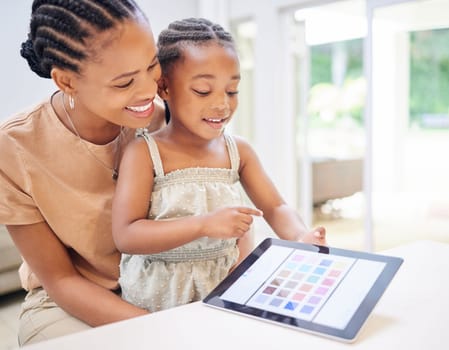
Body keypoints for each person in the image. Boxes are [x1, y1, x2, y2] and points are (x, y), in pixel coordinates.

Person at [112, 17, 327, 313]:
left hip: (224, 289)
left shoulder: (238, 151)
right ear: (164, 88)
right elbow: (126, 235)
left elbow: (276, 207)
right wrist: (203, 224)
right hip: (159, 300)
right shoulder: (144, 152)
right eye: (203, 91)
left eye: (232, 91)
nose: (222, 105)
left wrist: (300, 236)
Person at [0, 0, 167, 346]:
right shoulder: (14, 148)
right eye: (124, 83)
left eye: (152, 65)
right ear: (67, 81)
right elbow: (61, 281)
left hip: (165, 288)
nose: (149, 89)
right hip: (70, 305)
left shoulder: (164, 120)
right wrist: (162, 330)